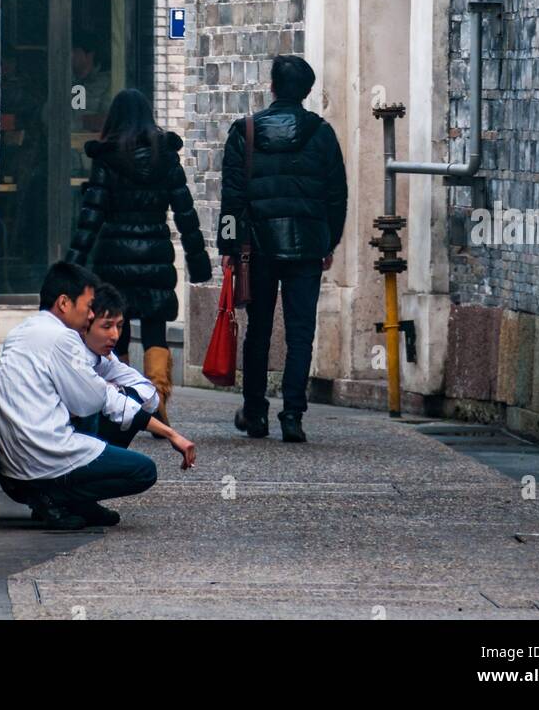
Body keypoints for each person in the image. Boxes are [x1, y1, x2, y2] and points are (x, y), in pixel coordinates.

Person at [0, 262, 189, 531]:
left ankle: (67, 500)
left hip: (12, 470)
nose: (89, 315)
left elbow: (138, 394)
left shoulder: (23, 331)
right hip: (43, 459)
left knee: (115, 403)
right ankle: (55, 497)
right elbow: (90, 403)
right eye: (87, 307)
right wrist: (108, 390)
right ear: (64, 303)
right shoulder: (63, 338)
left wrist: (106, 386)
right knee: (144, 471)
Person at [218, 55, 348, 443]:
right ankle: (293, 415)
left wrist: (228, 245)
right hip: (307, 247)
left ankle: (255, 412)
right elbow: (336, 195)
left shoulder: (246, 131)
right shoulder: (321, 133)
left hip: (256, 248)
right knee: (300, 332)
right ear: (307, 92)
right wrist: (330, 241)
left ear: (272, 87)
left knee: (257, 331)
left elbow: (232, 197)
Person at [68, 88, 212, 425]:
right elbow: (185, 211)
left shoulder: (108, 157)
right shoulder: (166, 157)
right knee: (155, 328)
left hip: (114, 255)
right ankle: (157, 396)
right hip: (156, 253)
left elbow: (92, 215)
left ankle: (121, 398)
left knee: (116, 327)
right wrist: (198, 259)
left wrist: (73, 264)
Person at [74, 283, 196, 465]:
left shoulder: (104, 357)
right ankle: (89, 467)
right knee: (143, 469)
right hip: (52, 449)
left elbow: (149, 394)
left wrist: (116, 389)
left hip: (121, 279)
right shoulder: (73, 354)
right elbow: (113, 403)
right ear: (85, 324)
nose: (115, 335)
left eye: (120, 326)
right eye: (107, 326)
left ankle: (98, 462)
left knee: (128, 397)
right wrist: (169, 433)